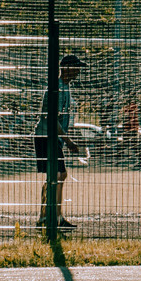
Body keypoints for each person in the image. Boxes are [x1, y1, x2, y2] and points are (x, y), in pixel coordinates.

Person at [35, 53, 84, 230]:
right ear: (66, 68)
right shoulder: (57, 88)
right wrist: (68, 141)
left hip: (52, 137)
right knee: (57, 175)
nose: (78, 71)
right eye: (76, 67)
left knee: (57, 176)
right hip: (46, 137)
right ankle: (50, 217)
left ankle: (50, 216)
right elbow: (51, 118)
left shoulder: (65, 87)